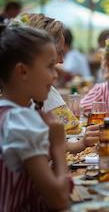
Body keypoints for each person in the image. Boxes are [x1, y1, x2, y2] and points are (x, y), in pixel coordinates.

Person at [0, 24, 69, 210]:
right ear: (22, 71)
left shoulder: (8, 116)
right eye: (49, 67)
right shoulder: (21, 122)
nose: (55, 75)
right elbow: (59, 199)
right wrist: (58, 144)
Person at [23, 13, 99, 153]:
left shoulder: (37, 95)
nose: (61, 61)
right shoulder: (20, 114)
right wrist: (81, 143)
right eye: (58, 52)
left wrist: (83, 141)